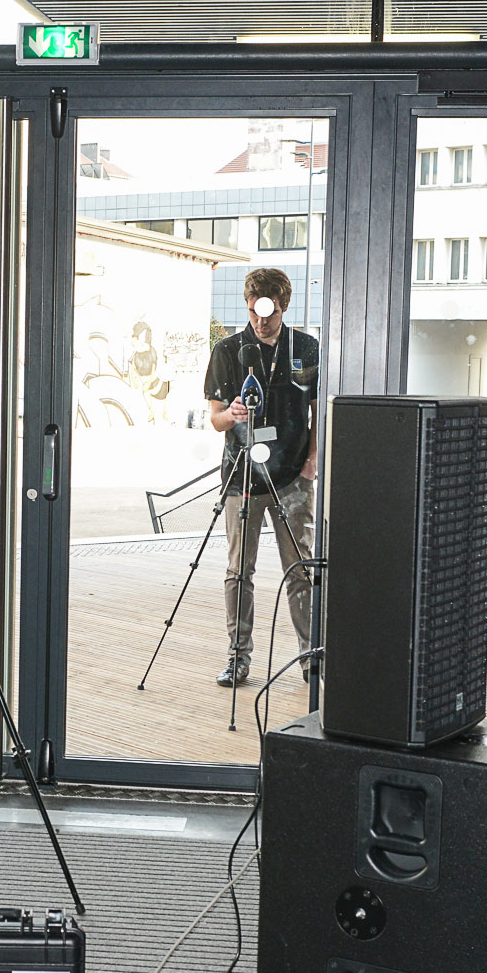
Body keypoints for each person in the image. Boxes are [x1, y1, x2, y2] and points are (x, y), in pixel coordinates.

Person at [203, 267, 319, 688]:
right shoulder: (228, 350)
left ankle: (311, 656)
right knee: (239, 570)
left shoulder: (305, 347)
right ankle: (238, 657)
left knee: (300, 569)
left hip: (292, 477)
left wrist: (312, 460)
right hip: (242, 477)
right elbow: (215, 418)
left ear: (284, 306)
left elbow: (319, 411)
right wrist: (230, 415)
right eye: (254, 311)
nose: (261, 321)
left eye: (269, 313)